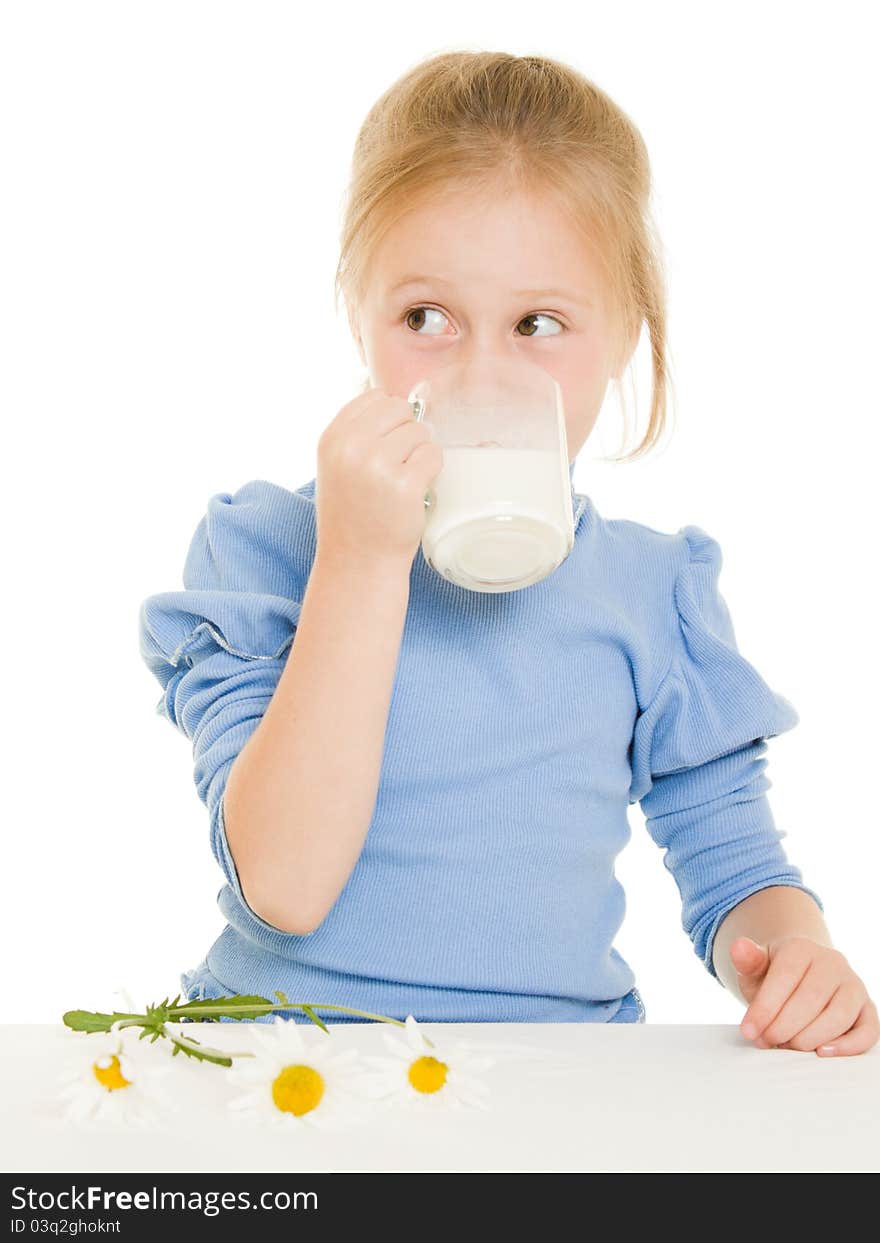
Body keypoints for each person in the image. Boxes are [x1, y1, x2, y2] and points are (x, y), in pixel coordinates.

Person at [139, 50, 877, 1054]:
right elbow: (284, 885)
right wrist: (359, 559)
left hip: (558, 1080)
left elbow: (738, 874)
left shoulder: (653, 590)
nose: (481, 376)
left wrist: (801, 958)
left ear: (623, 338)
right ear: (358, 314)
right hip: (280, 1065)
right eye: (425, 318)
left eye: (539, 324)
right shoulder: (267, 551)